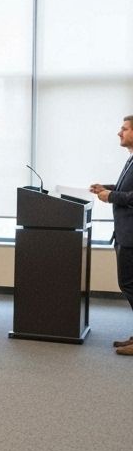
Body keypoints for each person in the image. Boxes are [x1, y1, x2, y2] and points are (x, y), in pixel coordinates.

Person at [90, 114, 133, 354]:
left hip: (131, 236)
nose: (119, 132)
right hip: (125, 233)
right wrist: (107, 188)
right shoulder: (130, 160)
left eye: (124, 129)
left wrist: (111, 196)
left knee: (129, 284)